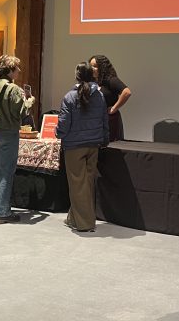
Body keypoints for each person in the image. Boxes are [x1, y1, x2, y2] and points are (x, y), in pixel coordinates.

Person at [0, 54, 35, 223]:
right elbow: (21, 113)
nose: (19, 70)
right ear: (10, 70)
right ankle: (2, 212)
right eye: (17, 68)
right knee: (6, 172)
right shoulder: (14, 89)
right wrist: (30, 101)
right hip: (9, 133)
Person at [56, 62, 109, 232]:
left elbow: (63, 125)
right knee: (87, 183)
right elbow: (104, 120)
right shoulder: (99, 96)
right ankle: (73, 218)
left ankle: (85, 223)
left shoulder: (69, 97)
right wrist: (104, 139)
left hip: (74, 146)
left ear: (77, 76)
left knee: (78, 184)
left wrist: (58, 134)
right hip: (94, 145)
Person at [89, 54, 131, 142]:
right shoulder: (92, 82)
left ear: (102, 67)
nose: (92, 68)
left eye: (95, 66)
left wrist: (114, 108)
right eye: (90, 66)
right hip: (96, 120)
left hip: (110, 120)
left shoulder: (110, 79)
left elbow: (126, 92)